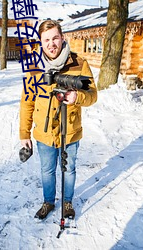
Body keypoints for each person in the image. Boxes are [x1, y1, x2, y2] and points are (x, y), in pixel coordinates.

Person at [19, 20, 97, 220]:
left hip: (70, 130)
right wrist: (24, 134)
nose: (51, 43)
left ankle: (68, 202)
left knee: (69, 168)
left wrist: (77, 97)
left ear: (62, 38)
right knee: (47, 170)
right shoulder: (34, 67)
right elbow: (27, 102)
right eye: (46, 40)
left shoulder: (79, 64)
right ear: (41, 42)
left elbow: (93, 95)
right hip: (44, 133)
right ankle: (48, 202)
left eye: (55, 38)